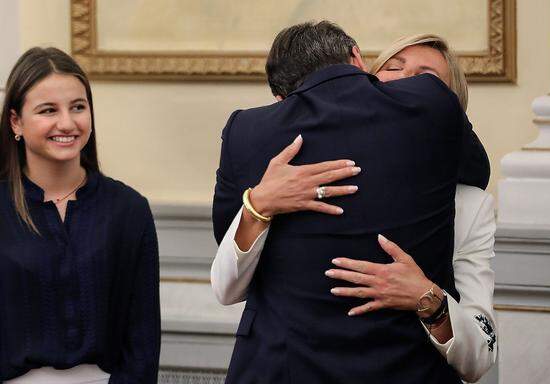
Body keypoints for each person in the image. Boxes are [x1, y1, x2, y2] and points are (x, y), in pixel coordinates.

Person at [212, 21, 488, 383]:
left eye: (426, 77)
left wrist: (428, 298)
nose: (407, 80)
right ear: (362, 66)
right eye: (393, 67)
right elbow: (226, 285)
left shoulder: (470, 203)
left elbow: (481, 355)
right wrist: (260, 202)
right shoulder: (272, 160)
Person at [0, 47, 160, 383]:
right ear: (16, 121)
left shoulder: (128, 210)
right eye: (48, 110)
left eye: (78, 107)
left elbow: (142, 339)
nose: (67, 123)